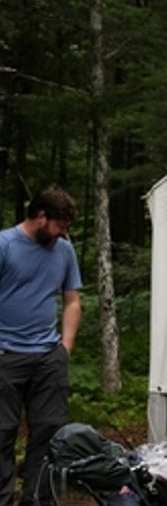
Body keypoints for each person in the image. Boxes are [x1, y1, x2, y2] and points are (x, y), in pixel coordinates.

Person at [0, 185, 82, 506]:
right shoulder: (5, 245)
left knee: (48, 435)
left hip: (48, 357)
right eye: (61, 224)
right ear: (40, 216)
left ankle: (36, 500)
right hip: (5, 355)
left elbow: (72, 300)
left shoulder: (64, 251)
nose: (64, 232)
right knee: (2, 435)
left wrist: (65, 348)